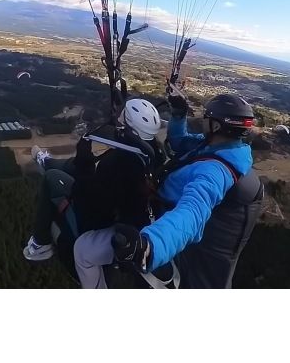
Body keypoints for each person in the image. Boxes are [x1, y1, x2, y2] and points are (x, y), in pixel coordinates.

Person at [107, 92, 264, 289]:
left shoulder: (214, 171)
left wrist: (150, 246)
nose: (203, 121)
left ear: (216, 126)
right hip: (160, 204)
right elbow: (180, 142)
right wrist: (179, 116)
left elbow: (192, 213)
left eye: (207, 118)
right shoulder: (218, 146)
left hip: (159, 218)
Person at [22, 98, 165, 273]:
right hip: (123, 212)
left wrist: (84, 163)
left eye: (122, 119)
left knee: (53, 178)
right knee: (71, 165)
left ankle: (39, 245)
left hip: (97, 223)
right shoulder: (153, 155)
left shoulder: (116, 164)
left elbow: (85, 199)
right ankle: (47, 160)